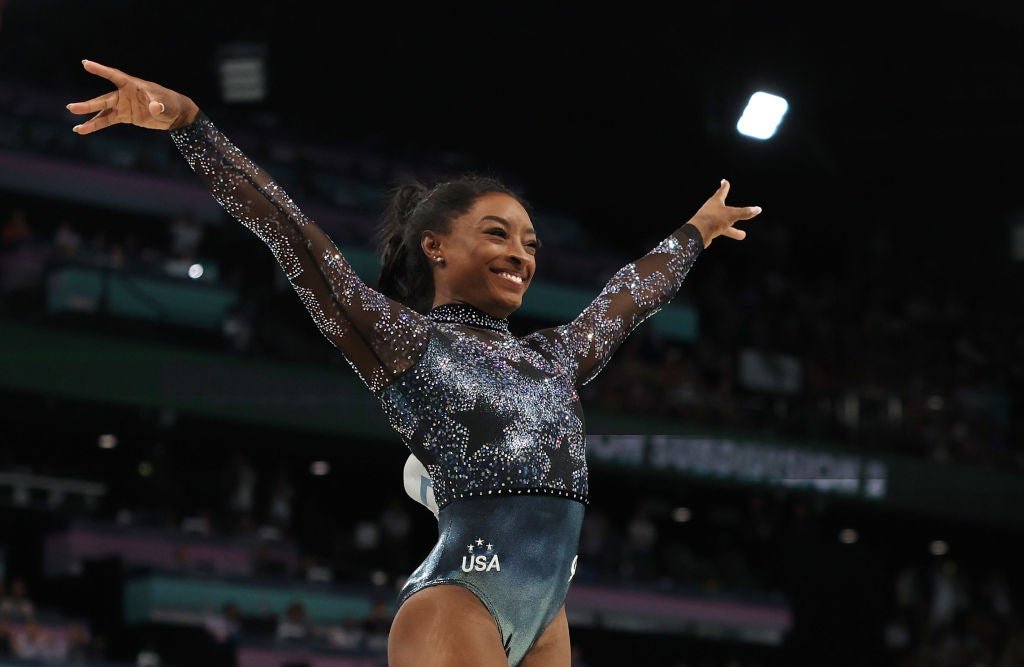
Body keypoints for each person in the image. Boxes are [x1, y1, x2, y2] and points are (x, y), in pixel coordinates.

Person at [66, 58, 761, 667]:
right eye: (497, 234)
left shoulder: (553, 357)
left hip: (546, 613)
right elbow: (291, 235)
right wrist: (191, 124)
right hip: (460, 602)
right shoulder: (406, 342)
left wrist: (697, 231)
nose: (521, 254)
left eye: (530, 243)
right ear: (435, 246)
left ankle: (425, 483)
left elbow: (626, 299)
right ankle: (427, 483)